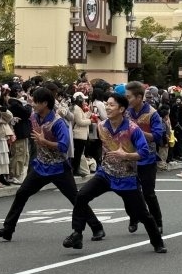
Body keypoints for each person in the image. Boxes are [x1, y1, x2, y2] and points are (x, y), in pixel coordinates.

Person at [0, 87, 105, 242]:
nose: (32, 103)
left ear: (45, 103)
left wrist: (44, 141)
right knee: (21, 193)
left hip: (59, 167)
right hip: (41, 166)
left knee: (76, 199)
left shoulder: (58, 123)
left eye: (36, 101)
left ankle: (97, 227)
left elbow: (64, 147)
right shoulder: (34, 116)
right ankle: (8, 229)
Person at [63, 93, 167, 253]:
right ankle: (77, 233)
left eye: (111, 105)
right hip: (105, 174)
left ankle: (157, 242)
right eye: (107, 104)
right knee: (82, 196)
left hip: (127, 178)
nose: (107, 107)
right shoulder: (101, 126)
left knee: (143, 214)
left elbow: (145, 152)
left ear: (122, 109)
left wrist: (126, 155)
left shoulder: (133, 129)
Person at [125, 81, 166, 234]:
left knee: (148, 193)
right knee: (129, 191)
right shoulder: (126, 112)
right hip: (128, 157)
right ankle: (133, 217)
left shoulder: (152, 113)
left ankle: (157, 221)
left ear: (139, 97)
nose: (127, 100)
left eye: (129, 97)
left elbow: (157, 135)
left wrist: (137, 131)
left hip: (147, 158)